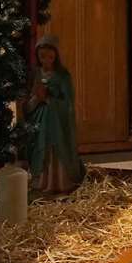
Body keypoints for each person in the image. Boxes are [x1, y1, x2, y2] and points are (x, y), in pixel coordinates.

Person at [26, 35, 85, 195]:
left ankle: (60, 182)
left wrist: (51, 99)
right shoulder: (35, 74)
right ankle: (41, 182)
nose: (46, 60)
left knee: (56, 147)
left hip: (57, 121)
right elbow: (29, 99)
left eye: (50, 56)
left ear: (56, 56)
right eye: (42, 56)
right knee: (41, 147)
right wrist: (37, 99)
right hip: (40, 118)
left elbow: (68, 101)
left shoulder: (62, 75)